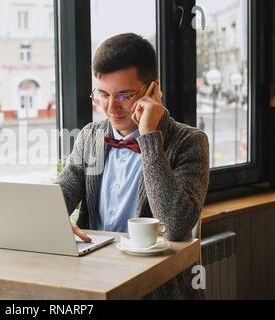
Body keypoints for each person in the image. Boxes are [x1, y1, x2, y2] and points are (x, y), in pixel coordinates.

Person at [56, 33, 210, 299]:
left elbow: (175, 224)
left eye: (125, 96)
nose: (111, 108)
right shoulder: (90, 136)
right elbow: (61, 195)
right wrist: (51, 219)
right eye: (103, 94)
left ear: (152, 91)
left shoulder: (190, 142)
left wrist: (149, 137)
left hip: (159, 287)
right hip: (96, 279)